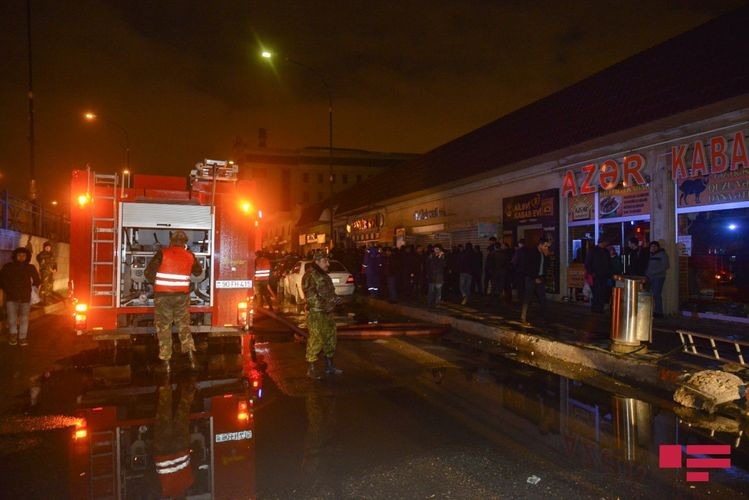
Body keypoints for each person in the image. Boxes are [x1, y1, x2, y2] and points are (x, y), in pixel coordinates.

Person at [145, 230, 203, 374]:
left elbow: (148, 273)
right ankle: (192, 360)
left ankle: (166, 364)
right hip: (182, 297)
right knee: (184, 326)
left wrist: (156, 284)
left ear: (171, 241)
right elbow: (198, 272)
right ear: (185, 242)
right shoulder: (190, 255)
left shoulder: (162, 253)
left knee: (164, 327)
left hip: (163, 296)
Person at [302, 250, 343, 379]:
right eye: (325, 261)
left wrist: (335, 299)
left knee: (331, 338)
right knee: (316, 340)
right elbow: (311, 297)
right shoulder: (310, 276)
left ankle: (329, 366)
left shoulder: (324, 275)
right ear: (317, 262)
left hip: (327, 313)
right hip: (316, 314)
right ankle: (311, 369)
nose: (328, 264)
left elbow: (329, 292)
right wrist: (326, 305)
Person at [0, 248, 41, 346]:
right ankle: (13, 336)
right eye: (19, 255)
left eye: (23, 255)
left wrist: (33, 288)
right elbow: (1, 280)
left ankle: (22, 337)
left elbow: (37, 280)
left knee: (24, 318)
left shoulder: (30, 267)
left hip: (25, 297)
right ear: (15, 256)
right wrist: (8, 289)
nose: (21, 257)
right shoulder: (8, 267)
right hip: (11, 297)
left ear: (27, 257)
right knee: (11, 318)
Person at [519, 238, 551, 325]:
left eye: (547, 246)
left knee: (543, 298)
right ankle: (523, 317)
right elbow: (527, 267)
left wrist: (547, 256)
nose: (546, 248)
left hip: (541, 278)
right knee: (527, 298)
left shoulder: (544, 253)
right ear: (540, 245)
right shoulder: (531, 252)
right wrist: (534, 277)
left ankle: (544, 317)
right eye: (545, 246)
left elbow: (546, 266)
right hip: (531, 278)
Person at [585, 238, 613, 314]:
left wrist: (609, 273)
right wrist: (592, 273)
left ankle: (599, 308)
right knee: (596, 292)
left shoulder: (606, 251)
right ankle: (596, 308)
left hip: (604, 275)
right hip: (595, 276)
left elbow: (609, 263)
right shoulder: (593, 251)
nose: (606, 244)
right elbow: (587, 263)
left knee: (602, 292)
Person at [646, 241, 670, 318]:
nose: (653, 248)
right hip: (650, 277)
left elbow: (666, 266)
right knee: (651, 294)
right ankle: (653, 311)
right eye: (651, 246)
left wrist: (654, 272)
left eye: (654, 246)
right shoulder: (649, 255)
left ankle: (659, 312)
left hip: (658, 277)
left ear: (658, 247)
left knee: (656, 294)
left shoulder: (662, 254)